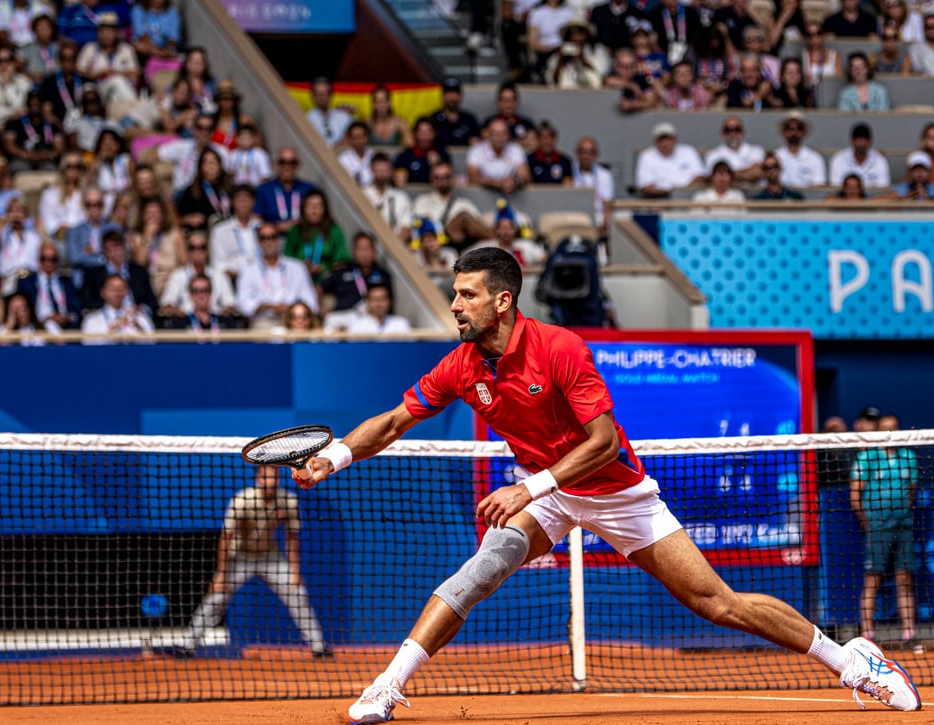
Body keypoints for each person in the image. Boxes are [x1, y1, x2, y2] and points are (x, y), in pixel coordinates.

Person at [290, 248, 922, 723]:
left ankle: (852, 660)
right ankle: (388, 686)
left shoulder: (560, 348)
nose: (454, 306)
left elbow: (605, 443)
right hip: (552, 496)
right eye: (454, 295)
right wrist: (337, 455)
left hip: (618, 494)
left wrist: (530, 487)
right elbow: (397, 419)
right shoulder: (461, 364)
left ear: (502, 301)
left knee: (716, 603)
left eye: (465, 296)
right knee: (478, 572)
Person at [179, 465, 331, 658]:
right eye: (266, 478)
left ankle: (318, 647)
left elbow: (292, 537)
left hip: (271, 556)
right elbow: (226, 538)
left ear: (278, 480)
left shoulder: (288, 501)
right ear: (259, 479)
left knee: (297, 593)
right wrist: (221, 575)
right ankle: (187, 646)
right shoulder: (242, 500)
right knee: (216, 597)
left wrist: (295, 571)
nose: (270, 482)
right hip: (240, 556)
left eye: (274, 478)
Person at [851, 413, 919, 648]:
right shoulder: (867, 457)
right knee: (873, 579)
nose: (891, 433)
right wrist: (867, 521)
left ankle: (909, 633)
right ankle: (867, 635)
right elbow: (855, 494)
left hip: (903, 526)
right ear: (879, 431)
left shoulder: (908, 457)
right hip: (877, 527)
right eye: (886, 429)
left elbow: (911, 490)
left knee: (904, 580)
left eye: (894, 428)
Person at [234, 222, 319, 330]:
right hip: (263, 321)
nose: (268, 242)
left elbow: (311, 302)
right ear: (259, 243)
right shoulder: (248, 271)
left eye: (272, 237)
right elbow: (243, 304)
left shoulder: (297, 267)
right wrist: (269, 307)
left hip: (294, 321)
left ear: (279, 240)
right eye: (264, 238)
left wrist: (291, 309)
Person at [284, 190, 349, 285]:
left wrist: (325, 270)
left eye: (318, 206)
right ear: (303, 209)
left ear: (325, 209)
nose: (314, 211)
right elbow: (287, 260)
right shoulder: (295, 231)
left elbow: (341, 261)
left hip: (327, 283)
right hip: (298, 281)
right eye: (310, 206)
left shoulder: (335, 231)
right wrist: (303, 266)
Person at [322, 231, 394, 313]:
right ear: (353, 251)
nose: (364, 254)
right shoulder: (341, 272)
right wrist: (321, 308)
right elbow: (319, 289)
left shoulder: (383, 275)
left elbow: (390, 302)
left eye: (367, 249)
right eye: (360, 249)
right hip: (344, 318)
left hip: (373, 318)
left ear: (374, 251)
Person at [634, 122, 705, 198]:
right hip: (658, 199)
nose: (665, 143)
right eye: (661, 140)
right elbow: (645, 187)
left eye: (668, 139)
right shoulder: (646, 156)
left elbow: (700, 177)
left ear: (675, 140)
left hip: (689, 196)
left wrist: (682, 191)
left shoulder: (688, 151)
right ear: (655, 142)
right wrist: (671, 192)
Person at [829, 122, 890, 188]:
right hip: (845, 198)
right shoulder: (839, 159)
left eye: (864, 139)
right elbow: (836, 188)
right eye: (858, 140)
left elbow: (883, 188)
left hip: (874, 198)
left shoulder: (880, 160)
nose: (861, 143)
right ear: (851, 141)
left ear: (870, 141)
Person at [774, 112, 827, 189]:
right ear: (784, 132)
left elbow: (818, 186)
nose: (794, 132)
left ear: (804, 132)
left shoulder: (815, 158)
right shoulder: (776, 156)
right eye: (789, 128)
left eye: (799, 128)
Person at [704, 116, 764, 183]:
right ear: (722, 134)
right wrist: (747, 173)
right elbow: (716, 179)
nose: (733, 133)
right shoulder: (712, 155)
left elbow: (757, 173)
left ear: (743, 132)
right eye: (728, 130)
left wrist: (728, 174)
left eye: (737, 129)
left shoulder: (756, 150)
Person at [344, 283, 412, 335]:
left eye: (382, 299)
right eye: (374, 299)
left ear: (391, 302)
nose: (378, 304)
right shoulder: (357, 325)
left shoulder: (401, 323)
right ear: (367, 302)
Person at [305, 76, 354, 147]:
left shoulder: (344, 117)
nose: (321, 97)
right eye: (318, 94)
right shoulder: (306, 119)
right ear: (313, 96)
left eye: (324, 93)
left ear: (331, 95)